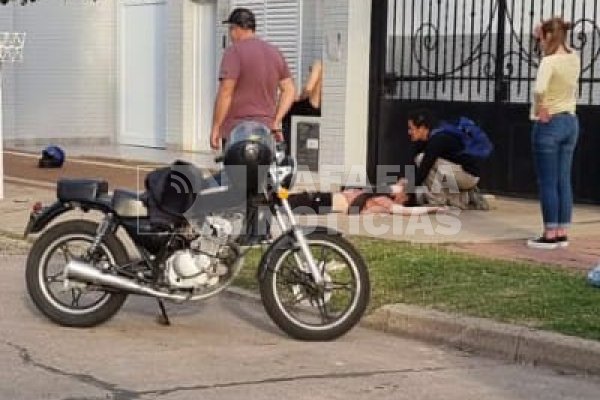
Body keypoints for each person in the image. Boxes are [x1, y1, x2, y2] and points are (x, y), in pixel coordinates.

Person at [527, 17, 580, 250]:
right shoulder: (573, 57)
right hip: (570, 121)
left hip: (550, 123)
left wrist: (541, 107)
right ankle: (561, 230)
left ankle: (549, 233)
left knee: (547, 181)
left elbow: (539, 88)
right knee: (563, 179)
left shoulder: (549, 62)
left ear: (547, 37)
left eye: (540, 39)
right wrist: (545, 30)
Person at [210, 8, 296, 150]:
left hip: (237, 131)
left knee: (237, 172)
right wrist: (276, 121)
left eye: (231, 29)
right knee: (261, 171)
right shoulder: (274, 52)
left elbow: (226, 92)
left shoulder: (234, 51)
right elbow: (290, 90)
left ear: (236, 28)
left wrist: (216, 127)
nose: (230, 34)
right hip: (265, 130)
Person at [405, 109, 488, 210]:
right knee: (422, 163)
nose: (409, 132)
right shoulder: (424, 141)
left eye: (411, 128)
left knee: (422, 160)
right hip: (459, 173)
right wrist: (407, 184)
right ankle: (466, 197)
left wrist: (406, 193)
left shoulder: (438, 139)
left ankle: (437, 202)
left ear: (422, 128)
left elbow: (423, 170)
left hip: (468, 176)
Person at [288, 181, 446, 216]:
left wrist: (434, 208)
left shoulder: (388, 204)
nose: (398, 185)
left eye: (402, 189)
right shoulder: (382, 193)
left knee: (293, 203)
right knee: (294, 200)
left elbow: (410, 211)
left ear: (404, 197)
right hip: (328, 199)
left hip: (330, 203)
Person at [282, 59, 322, 152]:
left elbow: (308, 89)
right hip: (310, 110)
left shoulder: (319, 65)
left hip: (309, 109)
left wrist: (301, 95)